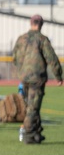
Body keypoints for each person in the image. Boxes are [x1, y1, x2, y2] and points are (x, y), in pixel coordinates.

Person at [12, 14, 62, 144]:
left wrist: (21, 71)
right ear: (41, 24)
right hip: (37, 78)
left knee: (31, 104)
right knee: (33, 107)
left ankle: (36, 132)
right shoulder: (42, 39)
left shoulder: (21, 39)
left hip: (24, 77)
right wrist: (58, 76)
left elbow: (14, 58)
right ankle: (29, 134)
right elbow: (51, 58)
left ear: (30, 23)